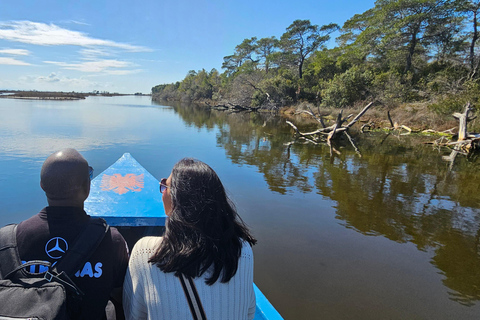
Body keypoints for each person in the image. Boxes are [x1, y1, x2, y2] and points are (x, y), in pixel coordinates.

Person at [123, 158, 257, 320]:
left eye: (165, 185)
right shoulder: (243, 250)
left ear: (175, 199)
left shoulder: (146, 252)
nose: (163, 189)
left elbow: (134, 315)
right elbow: (249, 312)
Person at [14, 148, 129, 319]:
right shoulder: (112, 241)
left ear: (42, 185)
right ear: (87, 187)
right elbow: (124, 297)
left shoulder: (9, 241)